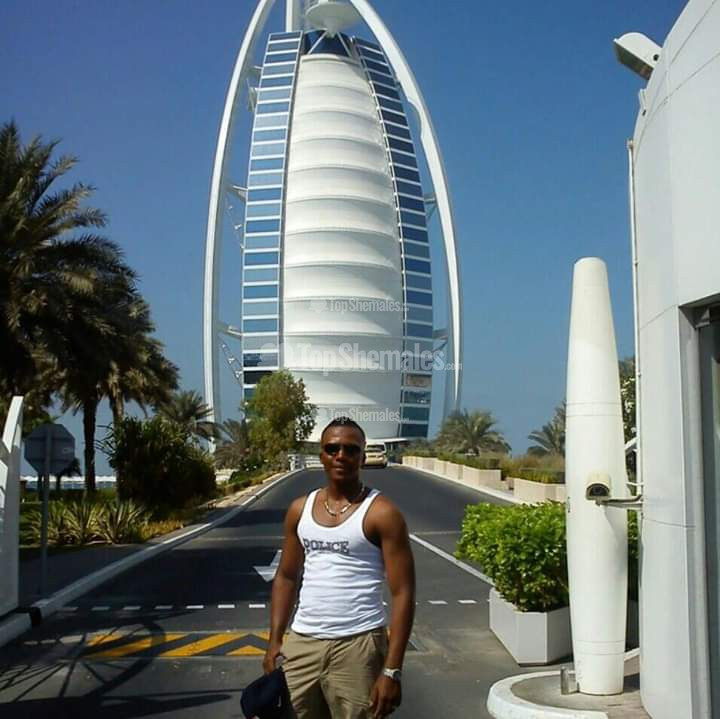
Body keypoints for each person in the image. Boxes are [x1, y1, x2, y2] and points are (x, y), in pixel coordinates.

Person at [263, 417, 415, 719]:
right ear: (321, 455)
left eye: (351, 449)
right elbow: (287, 577)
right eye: (332, 449)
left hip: (358, 645)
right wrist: (275, 639)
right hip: (303, 643)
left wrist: (392, 670)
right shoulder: (299, 510)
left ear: (362, 456)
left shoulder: (382, 513)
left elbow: (403, 593)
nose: (341, 456)